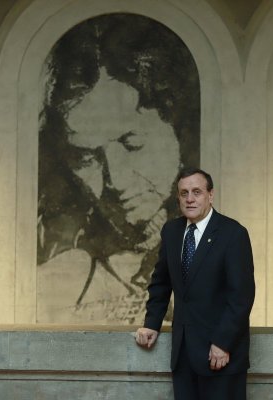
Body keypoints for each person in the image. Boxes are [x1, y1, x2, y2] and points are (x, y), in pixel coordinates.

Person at [36, 13, 200, 320]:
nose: (116, 179)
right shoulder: (64, 268)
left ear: (177, 130)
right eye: (86, 157)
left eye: (131, 142)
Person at [135, 167, 255, 400]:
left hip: (220, 355)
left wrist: (222, 342)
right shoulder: (171, 231)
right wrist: (152, 323)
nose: (189, 199)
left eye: (197, 192)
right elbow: (160, 283)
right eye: (184, 193)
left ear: (210, 195)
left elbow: (241, 296)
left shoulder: (233, 233)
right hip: (184, 355)